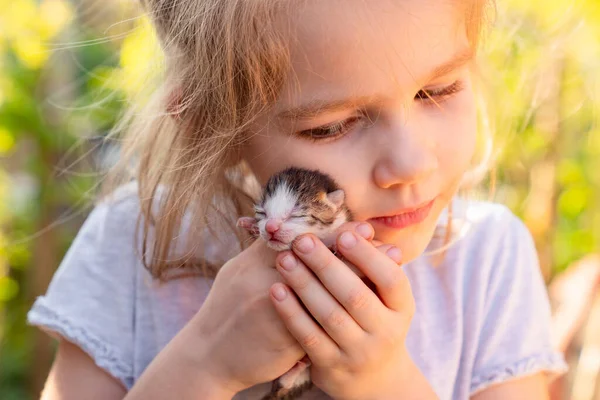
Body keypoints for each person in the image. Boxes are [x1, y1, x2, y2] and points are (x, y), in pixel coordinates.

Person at [27, 0, 568, 399]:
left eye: (438, 90)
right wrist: (206, 361)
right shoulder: (131, 242)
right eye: (332, 126)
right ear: (210, 125)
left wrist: (383, 384)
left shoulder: (485, 261)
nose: (411, 164)